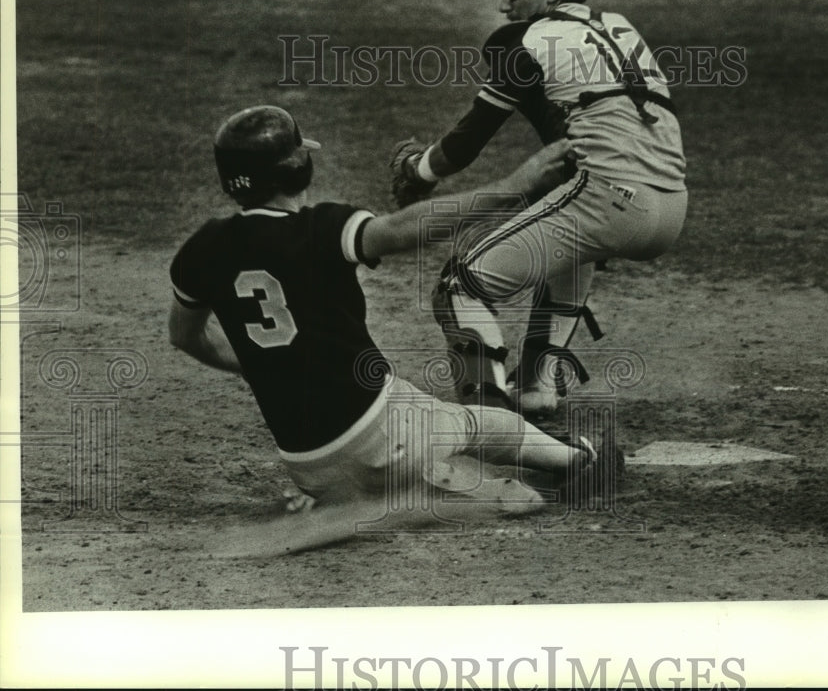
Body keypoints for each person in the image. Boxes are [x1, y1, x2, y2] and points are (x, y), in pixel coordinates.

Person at [168, 104, 598, 529]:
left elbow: (187, 338)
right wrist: (513, 184)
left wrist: (264, 363)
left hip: (309, 469)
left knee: (406, 435)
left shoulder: (201, 250)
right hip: (386, 438)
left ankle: (379, 494)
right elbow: (401, 230)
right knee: (479, 425)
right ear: (299, 167)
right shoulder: (322, 228)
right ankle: (582, 460)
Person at [389, 0, 687, 418]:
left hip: (609, 201)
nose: (504, 6)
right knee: (572, 234)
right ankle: (536, 388)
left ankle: (491, 419)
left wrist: (416, 170)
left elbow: (465, 144)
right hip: (671, 205)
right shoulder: (620, 26)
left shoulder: (524, 42)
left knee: (458, 286)